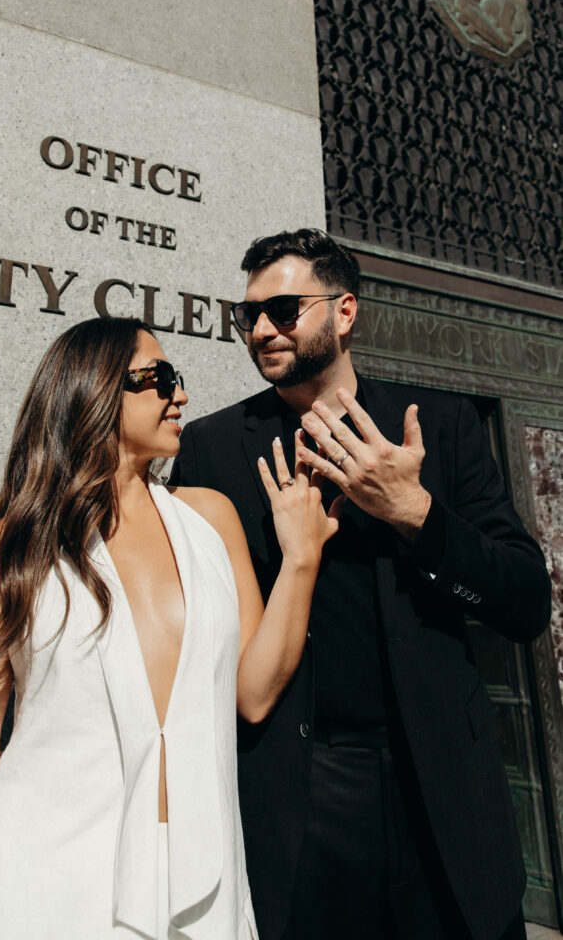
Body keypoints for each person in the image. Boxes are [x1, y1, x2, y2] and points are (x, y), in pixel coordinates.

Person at [0, 316, 342, 940]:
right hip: (33, 892)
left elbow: (254, 694)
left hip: (200, 892)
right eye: (160, 378)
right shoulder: (13, 548)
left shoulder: (210, 518)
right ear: (93, 390)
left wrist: (302, 559)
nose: (181, 395)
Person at [170, 229, 552, 940]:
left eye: (284, 310)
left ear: (344, 311)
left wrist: (416, 514)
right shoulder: (211, 448)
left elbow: (526, 603)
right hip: (297, 783)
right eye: (248, 314)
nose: (261, 329)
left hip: (440, 777)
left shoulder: (439, 427)